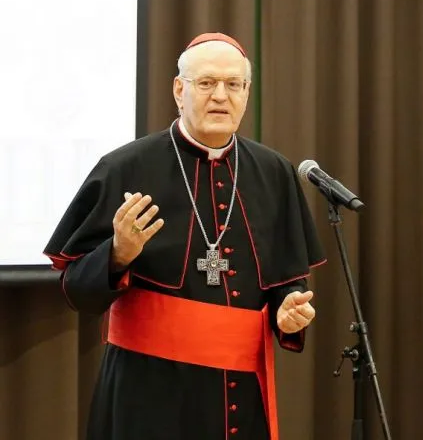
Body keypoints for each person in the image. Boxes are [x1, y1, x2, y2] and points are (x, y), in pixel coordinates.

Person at [43, 32, 326, 440]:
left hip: (241, 398)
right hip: (148, 392)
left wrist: (287, 312)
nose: (220, 96)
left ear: (247, 93)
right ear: (180, 90)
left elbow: (284, 278)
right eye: (207, 83)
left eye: (233, 85)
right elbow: (76, 290)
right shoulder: (126, 167)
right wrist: (118, 254)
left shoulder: (273, 172)